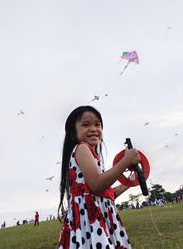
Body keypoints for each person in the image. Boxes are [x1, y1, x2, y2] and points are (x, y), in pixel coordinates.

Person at [58, 105, 140, 248]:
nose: (93, 129)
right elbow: (97, 184)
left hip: (99, 219)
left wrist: (130, 182)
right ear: (72, 132)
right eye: (85, 125)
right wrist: (125, 161)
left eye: (98, 124)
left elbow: (106, 193)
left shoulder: (95, 158)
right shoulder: (82, 148)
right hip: (90, 222)